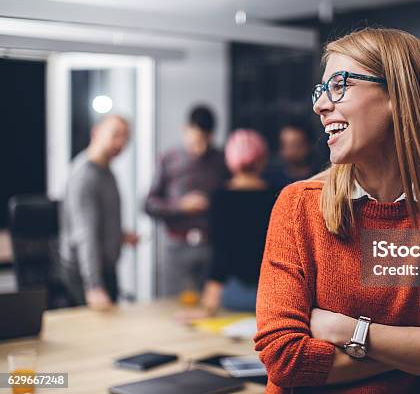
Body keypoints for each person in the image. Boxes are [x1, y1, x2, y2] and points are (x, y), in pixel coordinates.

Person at [254, 28, 420, 393]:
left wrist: (349, 332)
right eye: (321, 91)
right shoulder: (298, 206)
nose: (320, 105)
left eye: (338, 85)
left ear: (398, 96)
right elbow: (285, 358)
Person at [183, 129, 277, 319]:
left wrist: (209, 303)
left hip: (233, 293)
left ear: (230, 159)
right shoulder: (278, 196)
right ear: (262, 158)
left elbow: (220, 252)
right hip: (272, 292)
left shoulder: (220, 198)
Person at [145, 105, 230, 297]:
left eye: (206, 140)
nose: (201, 147)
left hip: (211, 245)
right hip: (176, 246)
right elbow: (149, 204)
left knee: (210, 308)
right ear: (186, 130)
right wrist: (180, 206)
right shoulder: (168, 159)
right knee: (172, 305)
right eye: (197, 139)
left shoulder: (221, 159)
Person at [59, 115, 139, 311]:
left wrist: (119, 236)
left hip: (106, 268)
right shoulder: (84, 176)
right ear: (96, 133)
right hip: (84, 274)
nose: (121, 143)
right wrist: (94, 285)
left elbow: (100, 221)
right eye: (115, 135)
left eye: (126, 138)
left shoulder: (107, 171)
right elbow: (85, 234)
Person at [263, 121, 318, 189]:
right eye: (285, 145)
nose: (290, 151)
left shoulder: (319, 179)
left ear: (309, 145)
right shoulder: (271, 181)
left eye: (296, 145)